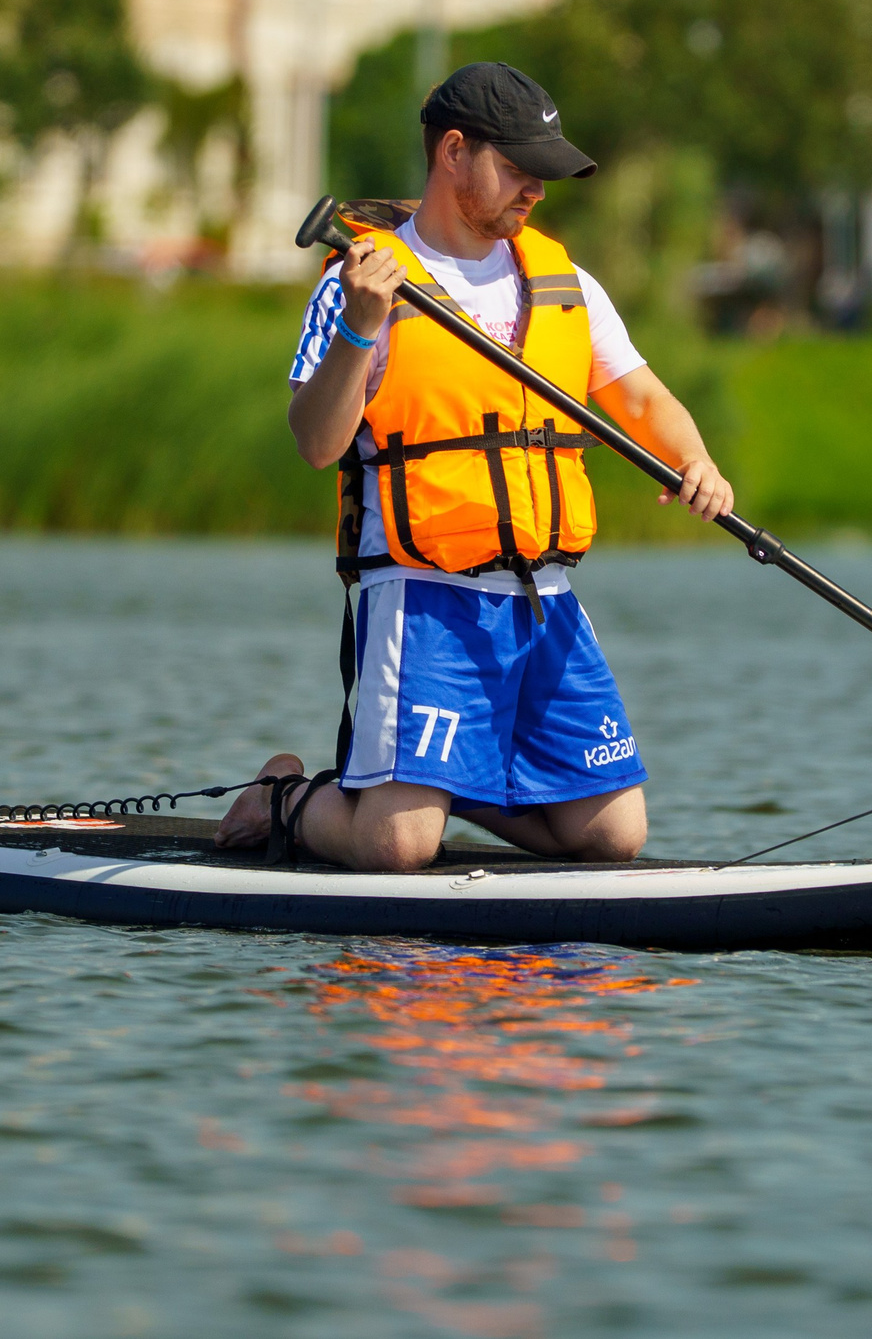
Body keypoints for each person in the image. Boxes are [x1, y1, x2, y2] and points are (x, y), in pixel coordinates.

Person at [218, 62, 735, 870]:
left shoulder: (563, 280)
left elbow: (643, 400)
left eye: (545, 173)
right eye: (519, 169)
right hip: (426, 596)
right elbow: (317, 443)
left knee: (614, 836)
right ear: (453, 151)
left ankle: (441, 782)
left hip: (543, 599)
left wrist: (695, 459)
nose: (534, 190)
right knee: (396, 849)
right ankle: (285, 796)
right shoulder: (359, 280)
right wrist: (362, 326)